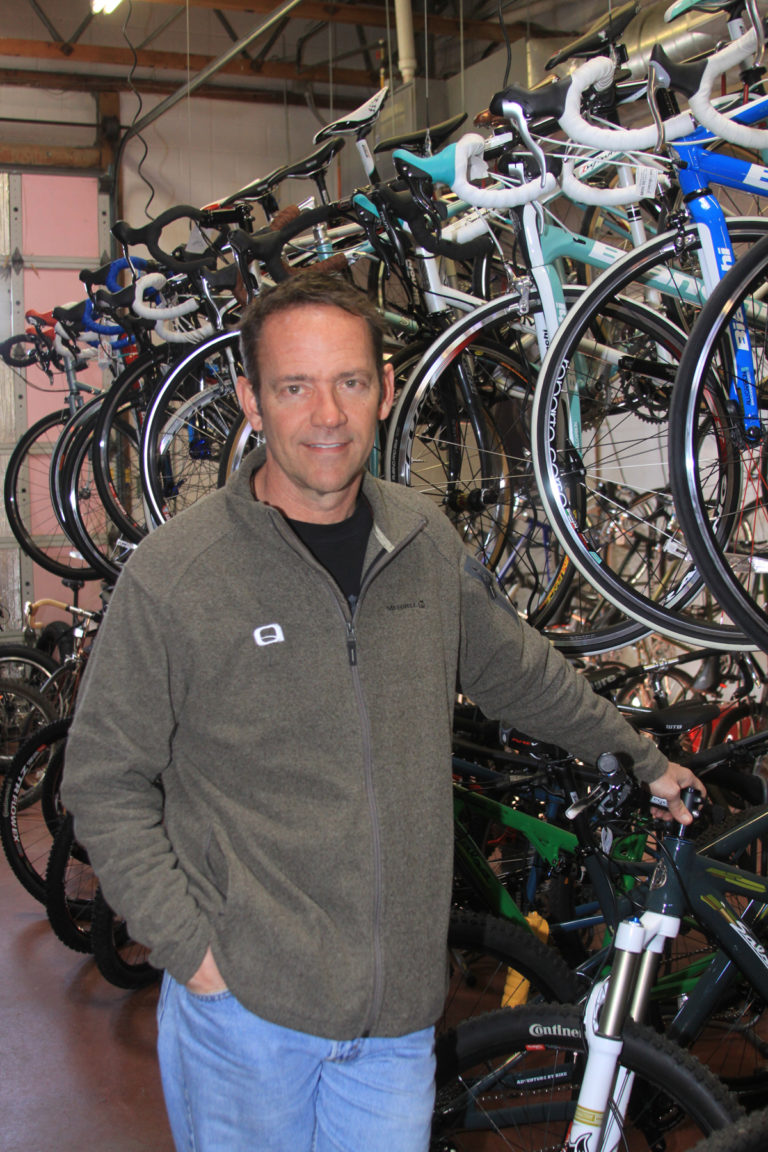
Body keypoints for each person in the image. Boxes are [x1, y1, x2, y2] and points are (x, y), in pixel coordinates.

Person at [63, 270, 704, 1152]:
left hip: (397, 1022)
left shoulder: (422, 540)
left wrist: (639, 755)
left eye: (350, 382)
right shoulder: (180, 575)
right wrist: (192, 951)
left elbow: (517, 671)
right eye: (295, 386)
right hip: (247, 1015)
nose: (327, 415)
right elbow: (102, 777)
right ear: (251, 398)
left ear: (386, 390)